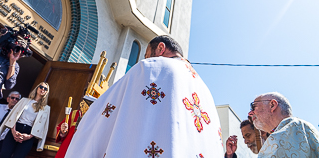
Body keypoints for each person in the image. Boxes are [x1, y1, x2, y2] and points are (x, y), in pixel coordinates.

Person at [65, 35, 224, 157]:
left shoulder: (151, 68)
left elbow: (106, 111)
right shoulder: (206, 93)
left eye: (147, 55)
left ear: (161, 48)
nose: (146, 60)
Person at [248, 92, 319, 157]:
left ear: (272, 105)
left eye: (253, 107)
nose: (250, 113)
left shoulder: (295, 125)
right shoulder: (296, 128)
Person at [0, 82, 50, 158]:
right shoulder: (24, 100)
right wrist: (14, 131)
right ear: (37, 88)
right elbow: (14, 115)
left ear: (46, 92)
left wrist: (29, 136)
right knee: (4, 155)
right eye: (41, 87)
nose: (42, 89)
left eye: (45, 89)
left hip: (29, 132)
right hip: (16, 128)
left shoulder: (46, 108)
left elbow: (43, 126)